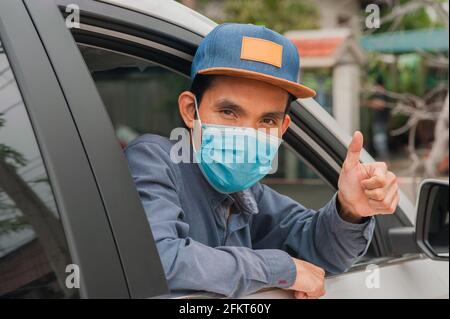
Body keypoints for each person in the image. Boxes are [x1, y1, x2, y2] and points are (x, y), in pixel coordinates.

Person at [124, 23, 399, 299]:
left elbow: (319, 251)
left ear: (283, 127)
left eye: (267, 120)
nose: (246, 133)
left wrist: (349, 209)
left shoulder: (247, 196)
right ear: (189, 110)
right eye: (229, 111)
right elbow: (158, 261)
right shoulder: (154, 160)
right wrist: (278, 268)